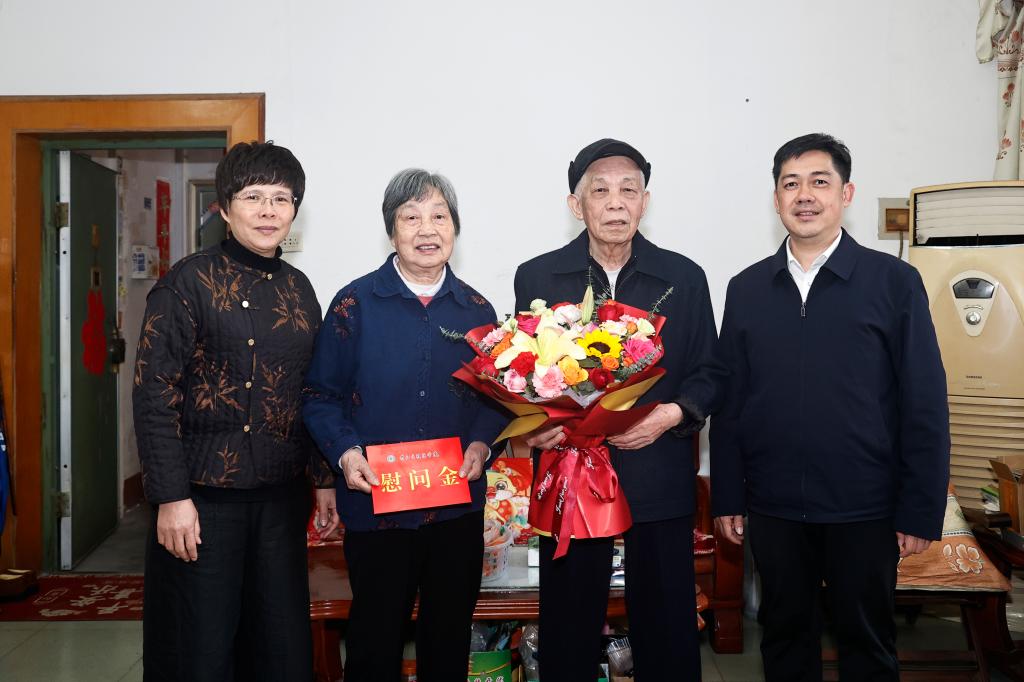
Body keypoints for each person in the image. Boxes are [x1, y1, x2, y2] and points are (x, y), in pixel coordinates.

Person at [711, 133, 950, 681]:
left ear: (846, 194)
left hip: (865, 507)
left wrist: (919, 508)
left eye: (820, 182)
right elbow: (730, 402)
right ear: (776, 198)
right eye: (790, 184)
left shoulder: (894, 282)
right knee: (783, 639)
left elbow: (924, 403)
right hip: (773, 506)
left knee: (867, 643)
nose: (805, 195)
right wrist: (728, 495)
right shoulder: (747, 288)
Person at [513, 139, 719, 681]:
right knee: (568, 624)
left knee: (667, 623)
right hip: (571, 473)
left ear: (644, 202)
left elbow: (709, 372)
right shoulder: (538, 277)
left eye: (628, 190)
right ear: (575, 205)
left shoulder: (683, 277)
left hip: (658, 468)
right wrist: (538, 425)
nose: (615, 202)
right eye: (600, 190)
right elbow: (521, 370)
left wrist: (672, 414)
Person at [133, 141, 336, 681]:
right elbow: (154, 394)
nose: (268, 211)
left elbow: (311, 390)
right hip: (202, 503)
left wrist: (323, 480)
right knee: (201, 650)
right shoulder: (187, 283)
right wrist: (170, 497)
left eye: (281, 199)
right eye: (253, 197)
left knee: (279, 648)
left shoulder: (299, 289)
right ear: (225, 208)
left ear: (294, 210)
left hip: (280, 501)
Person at [302, 169, 507, 682]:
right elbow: (320, 396)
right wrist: (346, 453)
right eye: (410, 217)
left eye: (439, 216)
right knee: (374, 643)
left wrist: (482, 444)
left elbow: (499, 399)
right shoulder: (354, 304)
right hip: (377, 508)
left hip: (456, 509)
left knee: (449, 639)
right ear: (391, 231)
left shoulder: (477, 310)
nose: (426, 229)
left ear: (455, 228)